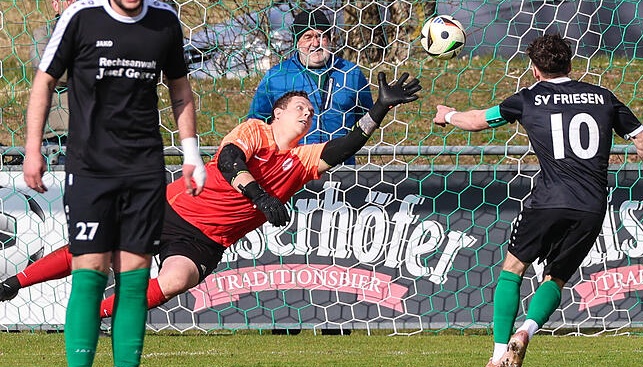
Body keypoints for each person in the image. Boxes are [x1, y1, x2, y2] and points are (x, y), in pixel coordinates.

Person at [7, 78, 419, 318]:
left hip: (205, 239)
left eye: (310, 111)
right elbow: (228, 159)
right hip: (171, 208)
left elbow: (344, 148)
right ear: (277, 114)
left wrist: (379, 108)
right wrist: (260, 196)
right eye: (299, 107)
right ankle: (12, 283)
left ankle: (90, 315)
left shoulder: (303, 159)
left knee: (176, 280)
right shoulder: (255, 130)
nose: (307, 113)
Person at [433, 34, 643, 367]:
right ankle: (526, 331)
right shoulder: (602, 97)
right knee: (555, 278)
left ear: (534, 70)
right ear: (570, 64)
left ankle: (499, 356)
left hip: (547, 201)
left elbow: (477, 121)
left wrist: (448, 114)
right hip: (590, 207)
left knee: (513, 271)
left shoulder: (528, 98)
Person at [22, 0, 206, 367]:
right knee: (90, 269)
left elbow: (180, 90)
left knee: (135, 275)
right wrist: (33, 149)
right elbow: (43, 82)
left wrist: (191, 153)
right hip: (90, 168)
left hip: (144, 168)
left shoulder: (164, 22)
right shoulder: (80, 17)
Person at [248, 8, 373, 163]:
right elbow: (257, 122)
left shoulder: (351, 73)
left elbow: (365, 117)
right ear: (297, 41)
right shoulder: (277, 76)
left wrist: (349, 144)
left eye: (321, 36)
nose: (315, 43)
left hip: (341, 165)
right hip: (292, 166)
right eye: (308, 37)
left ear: (330, 39)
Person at [29, 0, 90, 165]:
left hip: (98, 131)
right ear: (55, 5)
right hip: (59, 134)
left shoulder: (100, 31)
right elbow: (45, 68)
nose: (74, 1)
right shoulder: (44, 34)